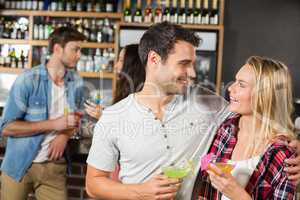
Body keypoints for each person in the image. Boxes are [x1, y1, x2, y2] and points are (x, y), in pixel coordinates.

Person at [86, 22, 300, 200]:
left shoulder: (207, 102)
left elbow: (262, 115)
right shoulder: (114, 117)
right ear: (154, 60)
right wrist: (140, 191)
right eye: (184, 64)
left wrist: (295, 147)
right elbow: (93, 184)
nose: (193, 72)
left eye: (193, 63)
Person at [0, 27, 85, 200]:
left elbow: (77, 116)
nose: (79, 55)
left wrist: (64, 135)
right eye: (75, 49)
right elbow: (6, 127)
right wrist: (54, 124)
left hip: (54, 167)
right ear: (57, 49)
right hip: (20, 165)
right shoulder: (28, 79)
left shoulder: (75, 81)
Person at [195, 56, 297, 199]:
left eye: (241, 85)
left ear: (264, 94)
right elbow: (205, 180)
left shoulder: (283, 155)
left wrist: (239, 195)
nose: (230, 88)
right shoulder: (225, 129)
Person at [84, 44, 145, 119]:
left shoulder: (140, 97)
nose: (116, 66)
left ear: (133, 65)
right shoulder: (126, 91)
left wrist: (104, 116)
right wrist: (106, 112)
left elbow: (128, 127)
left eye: (121, 60)